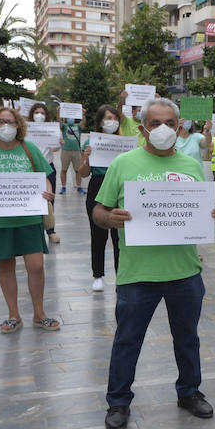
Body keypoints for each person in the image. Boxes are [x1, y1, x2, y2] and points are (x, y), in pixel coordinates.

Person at [91, 97, 215, 429]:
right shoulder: (123, 164)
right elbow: (98, 211)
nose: (162, 129)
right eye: (155, 123)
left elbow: (202, 212)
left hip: (185, 271)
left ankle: (189, 392)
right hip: (138, 274)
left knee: (187, 338)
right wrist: (110, 217)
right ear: (142, 128)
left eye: (169, 123)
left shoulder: (192, 166)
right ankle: (118, 401)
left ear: (180, 129)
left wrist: (214, 215)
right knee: (127, 340)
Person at [0, 106, 60, 334]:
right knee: (5, 266)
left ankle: (39, 313)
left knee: (36, 266)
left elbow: (44, 177)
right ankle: (13, 315)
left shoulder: (29, 148)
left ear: (18, 125)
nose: (5, 126)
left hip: (29, 218)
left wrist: (48, 192)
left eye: (10, 121)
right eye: (0, 122)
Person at [77, 104, 122, 292]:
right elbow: (83, 173)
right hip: (98, 185)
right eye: (106, 118)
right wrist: (86, 157)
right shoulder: (90, 142)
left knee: (119, 236)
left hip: (119, 187)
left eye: (113, 118)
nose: (110, 122)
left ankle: (122, 275)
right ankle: (98, 275)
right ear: (100, 122)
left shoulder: (124, 142)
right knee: (98, 234)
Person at [28, 102, 60, 244]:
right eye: (36, 112)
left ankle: (50, 230)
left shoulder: (51, 129)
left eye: (42, 113)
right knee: (31, 200)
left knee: (49, 199)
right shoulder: (26, 129)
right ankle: (33, 230)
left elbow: (55, 148)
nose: (39, 115)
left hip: (48, 167)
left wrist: (59, 142)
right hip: (30, 170)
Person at [58, 110, 85, 195]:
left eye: (72, 118)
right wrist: (59, 111)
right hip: (66, 150)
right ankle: (63, 187)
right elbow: (59, 121)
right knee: (64, 169)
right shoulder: (65, 126)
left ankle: (79, 187)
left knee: (78, 170)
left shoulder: (78, 126)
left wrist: (83, 114)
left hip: (76, 151)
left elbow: (83, 123)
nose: (71, 119)